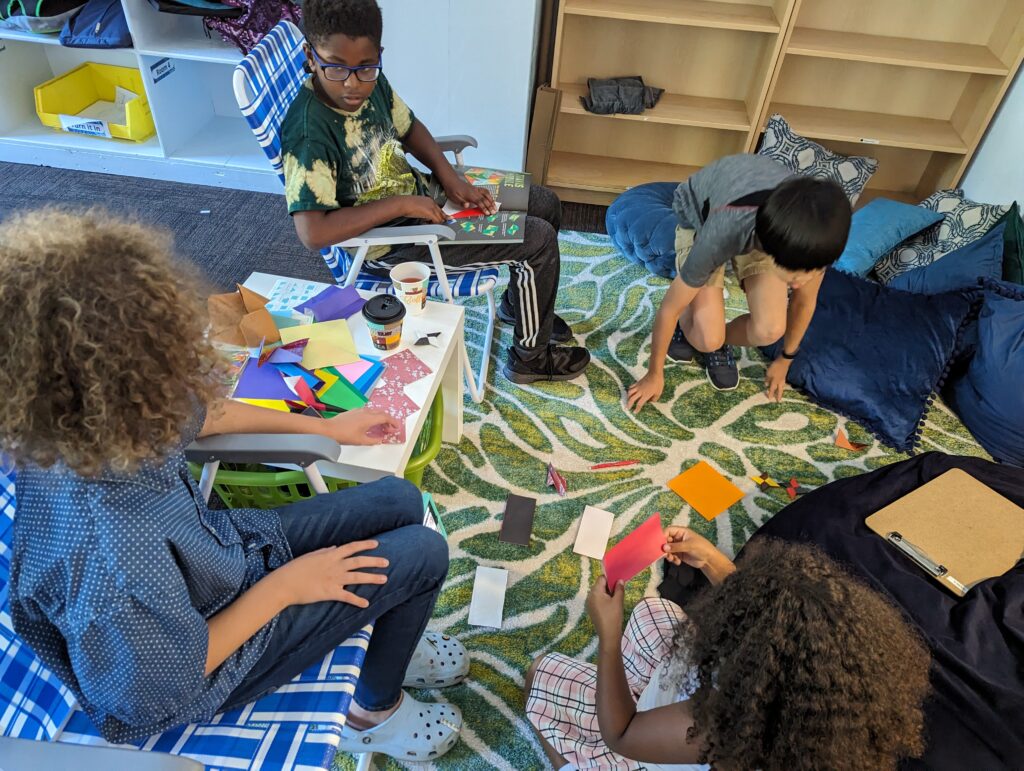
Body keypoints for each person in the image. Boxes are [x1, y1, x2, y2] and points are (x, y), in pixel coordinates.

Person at [1, 209, 466, 763]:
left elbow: (212, 417)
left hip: (214, 559)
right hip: (202, 664)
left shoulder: (101, 415)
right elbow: (160, 685)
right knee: (423, 553)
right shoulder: (110, 557)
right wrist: (289, 586)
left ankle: (389, 641)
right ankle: (371, 711)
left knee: (401, 498)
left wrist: (326, 425)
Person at [281, 0, 590, 385]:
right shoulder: (309, 134)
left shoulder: (371, 86)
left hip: (424, 202)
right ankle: (530, 357)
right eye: (335, 66)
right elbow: (314, 234)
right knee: (539, 240)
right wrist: (405, 204)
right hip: (391, 246)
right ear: (310, 56)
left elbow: (409, 128)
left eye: (366, 68)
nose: (352, 83)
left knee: (546, 202)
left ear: (378, 56)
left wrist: (450, 179)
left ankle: (517, 305)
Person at [525, 532, 930, 770]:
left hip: (641, 743)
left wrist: (608, 636)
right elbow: (769, 617)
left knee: (538, 678)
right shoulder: (829, 699)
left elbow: (623, 734)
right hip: (683, 716)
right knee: (656, 613)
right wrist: (711, 560)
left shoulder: (725, 725)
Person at [627, 154, 851, 411]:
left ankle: (717, 338)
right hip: (703, 216)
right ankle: (697, 330)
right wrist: (654, 375)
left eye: (813, 271)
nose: (801, 282)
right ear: (773, 253)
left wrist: (785, 359)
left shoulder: (814, 237)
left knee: (769, 329)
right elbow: (669, 308)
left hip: (765, 215)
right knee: (706, 339)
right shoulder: (723, 231)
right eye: (794, 274)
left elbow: (804, 302)